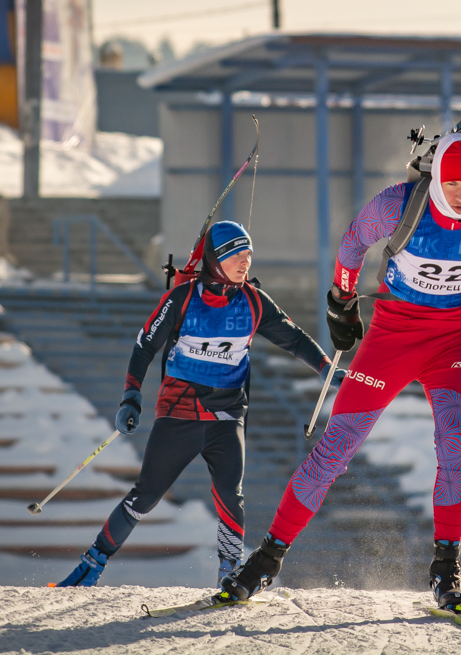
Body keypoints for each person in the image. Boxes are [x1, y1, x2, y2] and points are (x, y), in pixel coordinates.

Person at [215, 132, 461, 612]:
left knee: (455, 442)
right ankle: (266, 560)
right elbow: (352, 243)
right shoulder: (397, 205)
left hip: (456, 339)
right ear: (438, 176)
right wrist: (342, 304)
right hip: (393, 338)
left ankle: (446, 568)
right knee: (335, 448)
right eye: (454, 183)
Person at [55, 221, 338, 587]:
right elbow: (144, 346)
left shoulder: (253, 300)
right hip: (179, 415)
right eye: (236, 253)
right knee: (146, 495)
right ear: (217, 258)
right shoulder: (183, 298)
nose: (245, 261)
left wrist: (327, 369)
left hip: (226, 416)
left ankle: (228, 573)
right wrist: (131, 396)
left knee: (229, 496)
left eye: (249, 254)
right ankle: (93, 563)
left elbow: (295, 340)